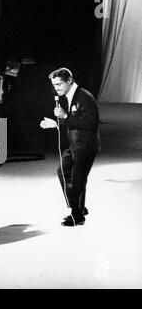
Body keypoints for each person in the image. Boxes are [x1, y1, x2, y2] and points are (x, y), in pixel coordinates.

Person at [40, 68, 100, 226]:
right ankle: (78, 207)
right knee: (63, 171)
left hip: (85, 145)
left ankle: (77, 215)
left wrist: (65, 116)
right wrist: (56, 123)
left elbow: (90, 123)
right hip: (75, 144)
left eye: (59, 84)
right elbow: (74, 121)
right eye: (54, 85)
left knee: (77, 178)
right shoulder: (69, 95)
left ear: (69, 81)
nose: (57, 88)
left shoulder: (84, 97)